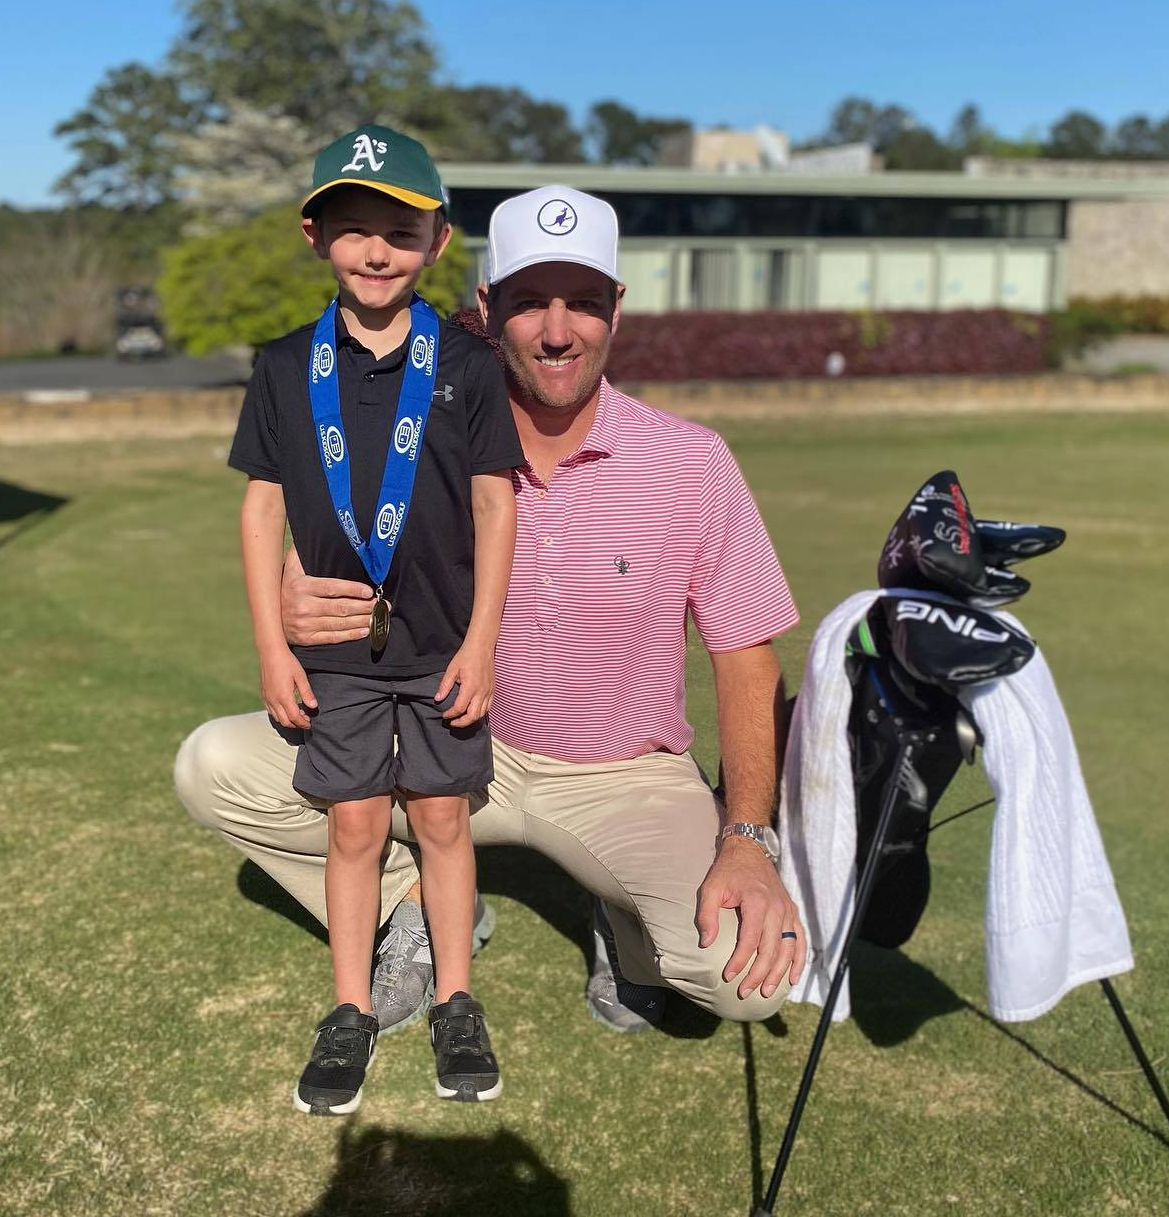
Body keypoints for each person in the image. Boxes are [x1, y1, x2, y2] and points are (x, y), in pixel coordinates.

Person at [176, 182, 807, 1058]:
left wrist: (746, 839)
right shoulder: (421, 422)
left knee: (743, 979)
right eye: (528, 303)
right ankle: (418, 908)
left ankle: (622, 926)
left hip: (623, 775)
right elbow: (321, 526)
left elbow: (748, 659)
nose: (557, 331)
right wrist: (294, 595)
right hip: (451, 740)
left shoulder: (692, 461)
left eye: (583, 302)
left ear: (616, 309)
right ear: (486, 308)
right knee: (211, 765)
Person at [229, 125, 522, 1114]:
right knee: (353, 825)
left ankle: (455, 1000)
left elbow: (496, 505)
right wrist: (272, 642)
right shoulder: (281, 367)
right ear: (315, 238)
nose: (376, 250)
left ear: (437, 243)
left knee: (443, 817)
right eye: (352, 228)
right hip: (333, 651)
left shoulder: (470, 366)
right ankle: (350, 1007)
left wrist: (483, 642)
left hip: (443, 645)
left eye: (399, 230)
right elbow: (261, 505)